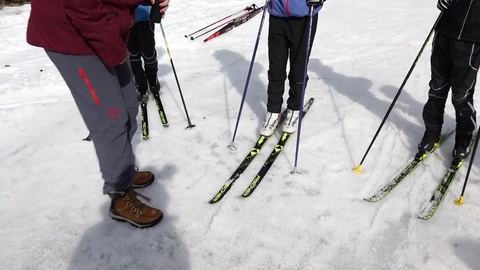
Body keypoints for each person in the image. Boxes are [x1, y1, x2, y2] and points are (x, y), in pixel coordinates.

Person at [26, 0, 169, 228]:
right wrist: (113, 50)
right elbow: (81, 6)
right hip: (75, 36)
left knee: (128, 105)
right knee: (110, 118)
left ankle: (124, 171)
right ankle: (120, 195)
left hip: (105, 27)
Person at [418, 0, 480, 160]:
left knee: (461, 95)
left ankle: (464, 136)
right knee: (437, 87)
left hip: (472, 41)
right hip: (445, 31)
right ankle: (432, 131)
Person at [260, 0, 324, 136]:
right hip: (277, 15)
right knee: (275, 68)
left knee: (298, 68)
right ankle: (273, 111)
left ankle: (294, 109)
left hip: (305, 16)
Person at [128, 5, 161, 103]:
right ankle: (141, 84)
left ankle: (152, 79)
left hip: (145, 18)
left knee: (149, 55)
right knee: (133, 56)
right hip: (125, 20)